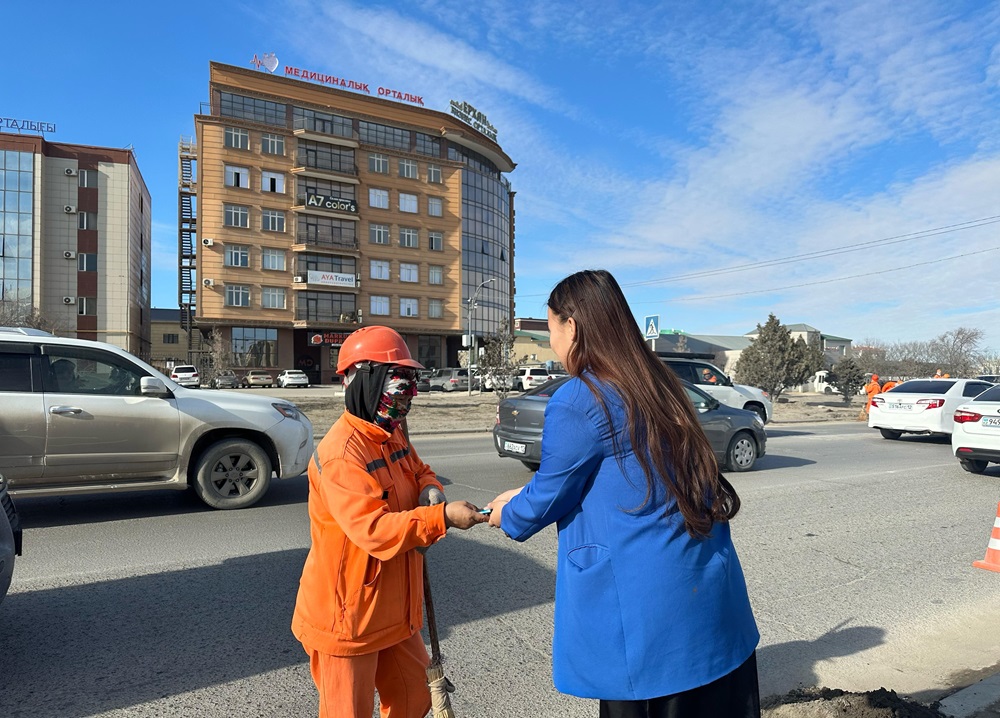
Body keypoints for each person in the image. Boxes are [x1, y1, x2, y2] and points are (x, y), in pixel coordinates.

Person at [487, 270, 760, 717]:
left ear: (572, 327)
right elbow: (604, 474)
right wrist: (525, 491)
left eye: (552, 328)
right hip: (709, 605)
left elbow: (545, 498)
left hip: (649, 629)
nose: (553, 343)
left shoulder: (580, 398)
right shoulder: (658, 381)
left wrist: (506, 513)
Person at [292, 325, 487, 718]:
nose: (407, 400)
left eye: (410, 388)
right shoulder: (343, 454)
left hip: (393, 612)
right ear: (364, 381)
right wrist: (441, 517)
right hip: (349, 618)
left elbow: (421, 470)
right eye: (399, 387)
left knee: (416, 695)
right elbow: (374, 531)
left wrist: (430, 489)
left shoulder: (390, 434)